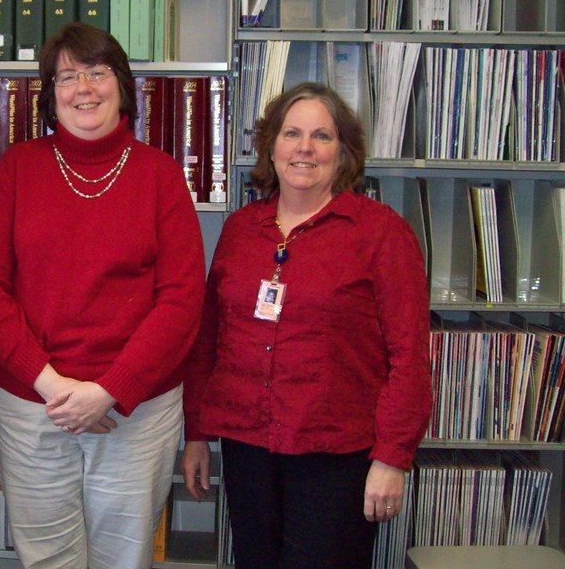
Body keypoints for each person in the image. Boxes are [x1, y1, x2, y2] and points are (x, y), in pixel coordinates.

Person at [0, 22, 205, 569]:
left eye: (97, 72)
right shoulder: (18, 168)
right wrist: (52, 386)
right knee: (48, 558)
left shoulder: (161, 176)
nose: (84, 89)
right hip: (32, 404)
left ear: (122, 85)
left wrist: (111, 390)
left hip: (134, 411)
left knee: (125, 557)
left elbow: (182, 300)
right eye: (67, 77)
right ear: (51, 95)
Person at [182, 82, 431, 569]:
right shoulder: (240, 230)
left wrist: (392, 457)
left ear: (344, 152)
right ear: (272, 147)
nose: (305, 148)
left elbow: (409, 357)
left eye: (322, 136)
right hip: (247, 447)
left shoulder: (381, 233)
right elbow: (209, 340)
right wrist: (196, 434)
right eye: (292, 133)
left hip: (336, 456)